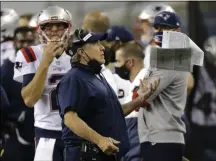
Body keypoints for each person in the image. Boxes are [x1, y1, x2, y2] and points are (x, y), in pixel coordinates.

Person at [56, 29, 157, 161]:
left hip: (104, 154)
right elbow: (70, 118)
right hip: (86, 155)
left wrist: (140, 100)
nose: (102, 47)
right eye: (96, 44)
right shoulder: (74, 78)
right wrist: (100, 140)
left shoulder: (96, 76)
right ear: (81, 52)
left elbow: (114, 112)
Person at [13, 6, 72, 161]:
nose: (54, 31)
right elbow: (29, 100)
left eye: (59, 26)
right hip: (47, 134)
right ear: (40, 30)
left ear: (68, 28)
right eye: (48, 27)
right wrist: (45, 62)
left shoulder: (79, 54)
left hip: (78, 134)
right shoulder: (30, 54)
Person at [136, 11, 190, 161]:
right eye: (157, 28)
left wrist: (140, 91)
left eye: (165, 28)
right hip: (158, 136)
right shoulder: (163, 56)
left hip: (163, 138)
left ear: (177, 31)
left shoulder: (172, 57)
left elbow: (143, 96)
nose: (159, 32)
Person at [1, 26, 36, 161]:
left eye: (29, 41)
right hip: (15, 133)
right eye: (22, 41)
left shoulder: (43, 66)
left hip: (39, 131)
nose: (26, 45)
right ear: (14, 42)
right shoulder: (6, 70)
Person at [115, 42, 149, 161]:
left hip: (138, 138)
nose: (116, 66)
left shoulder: (144, 77)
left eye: (118, 61)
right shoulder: (135, 81)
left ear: (129, 62)